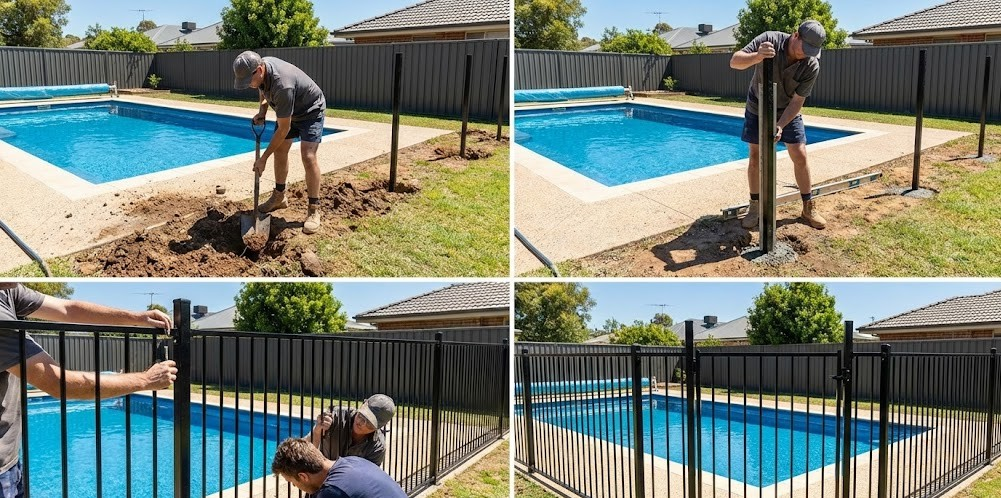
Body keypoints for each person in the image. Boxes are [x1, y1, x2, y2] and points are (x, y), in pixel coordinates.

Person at [0, 283, 177, 498]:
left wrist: (137, 318)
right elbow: (59, 384)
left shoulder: (7, 289)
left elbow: (68, 309)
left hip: (9, 462)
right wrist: (145, 380)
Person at [729, 20, 828, 230]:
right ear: (795, 36)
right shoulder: (769, 39)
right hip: (758, 106)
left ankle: (808, 207)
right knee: (755, 157)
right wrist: (757, 56)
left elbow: (798, 102)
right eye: (805, 48)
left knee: (800, 154)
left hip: (787, 110)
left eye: (812, 51)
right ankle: (755, 206)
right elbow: (735, 62)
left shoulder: (811, 65)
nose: (806, 54)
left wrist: (780, 125)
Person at [232, 50, 327, 234]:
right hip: (289, 109)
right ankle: (279, 197)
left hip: (310, 110)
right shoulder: (262, 68)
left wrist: (263, 158)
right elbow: (262, 90)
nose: (250, 86)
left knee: (308, 156)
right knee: (281, 150)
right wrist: (262, 112)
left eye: (249, 81)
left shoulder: (283, 85)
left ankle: (314, 210)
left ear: (259, 70)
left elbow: (284, 129)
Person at [271, 438, 407, 498]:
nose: (295, 486)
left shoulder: (332, 492)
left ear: (303, 476)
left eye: (293, 483)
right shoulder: (353, 461)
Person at [309, 394, 395, 466]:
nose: (360, 422)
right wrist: (317, 431)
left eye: (369, 423)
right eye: (361, 415)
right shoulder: (336, 416)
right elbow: (306, 449)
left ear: (379, 427)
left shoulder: (377, 448)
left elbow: (365, 478)